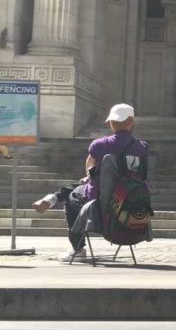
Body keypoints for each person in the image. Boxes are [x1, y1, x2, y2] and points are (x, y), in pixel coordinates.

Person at [33, 103, 149, 262]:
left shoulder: (99, 145)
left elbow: (90, 168)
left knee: (73, 196)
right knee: (80, 185)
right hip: (130, 204)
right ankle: (52, 198)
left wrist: (90, 176)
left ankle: (78, 248)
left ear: (111, 123)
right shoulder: (142, 148)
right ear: (131, 122)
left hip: (99, 202)